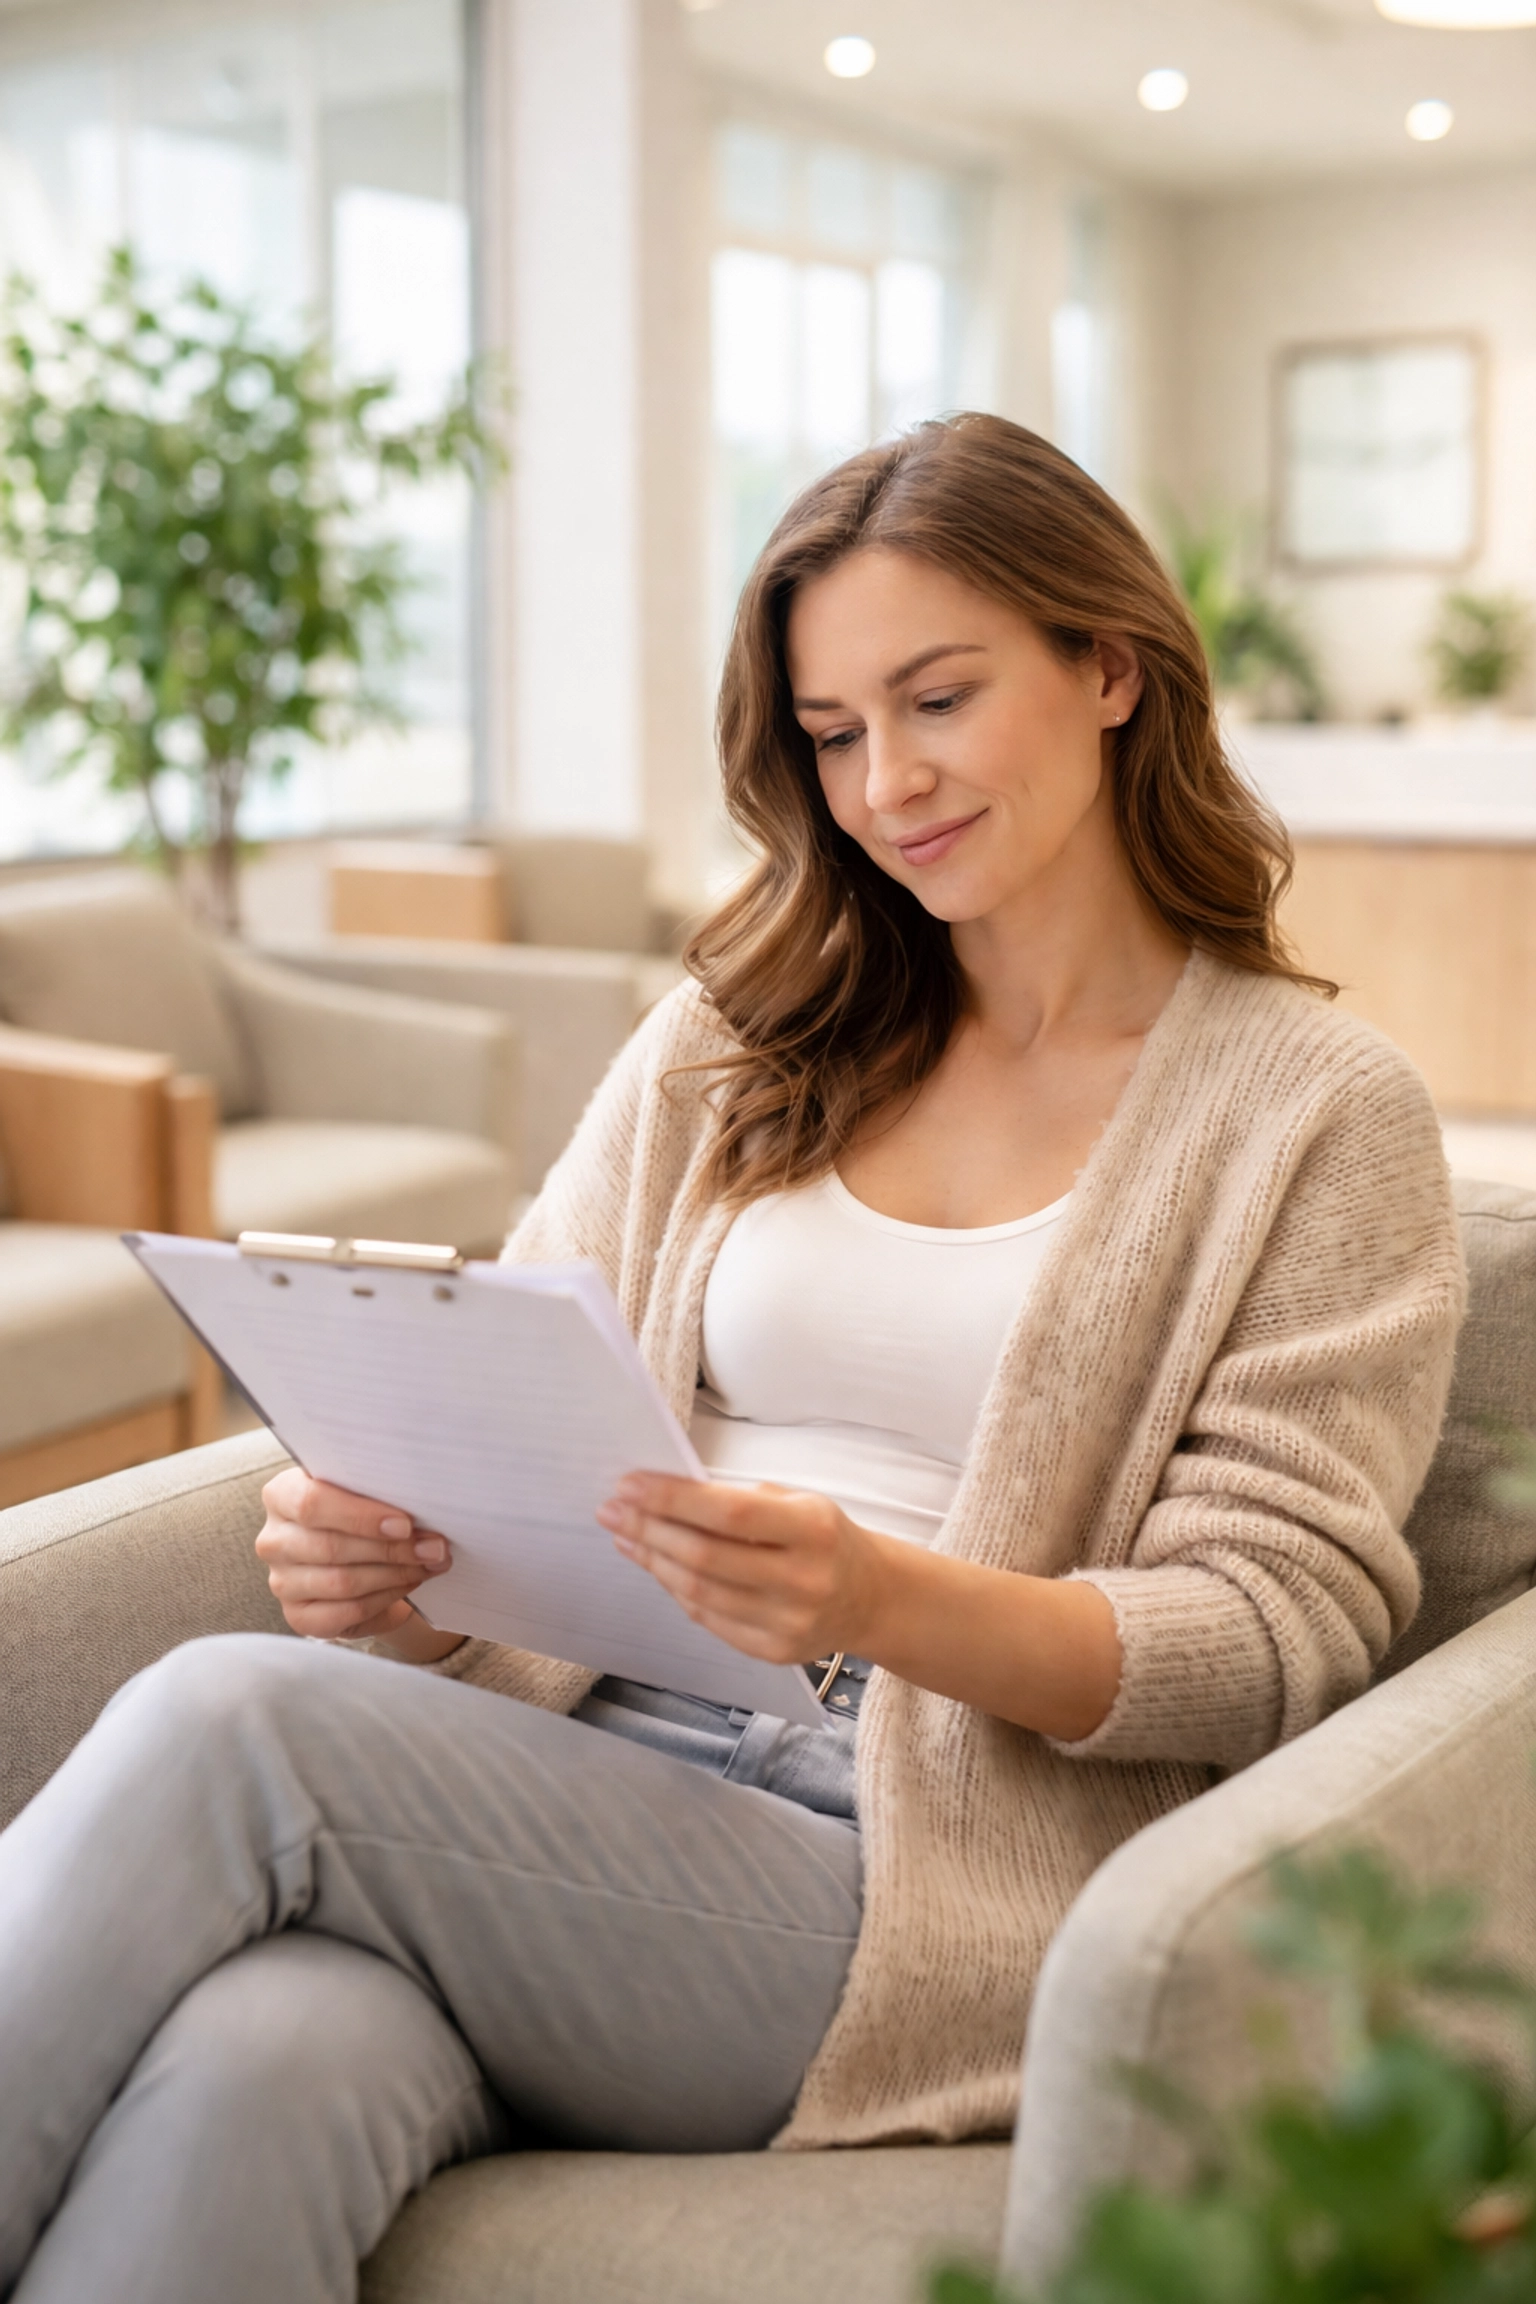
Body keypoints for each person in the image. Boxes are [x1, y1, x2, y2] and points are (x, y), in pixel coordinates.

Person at [0, 414, 1464, 2302]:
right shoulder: (739, 1030)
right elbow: (516, 1382)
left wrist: (881, 1595)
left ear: (1110, 668)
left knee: (232, 1721)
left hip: (906, 1874)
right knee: (269, 2055)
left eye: (937, 699)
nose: (886, 782)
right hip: (579, 1772)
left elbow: (1279, 1633)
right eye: (834, 734)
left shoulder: (1318, 1114)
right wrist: (399, 1571)